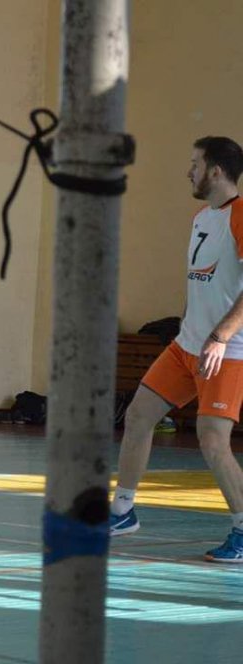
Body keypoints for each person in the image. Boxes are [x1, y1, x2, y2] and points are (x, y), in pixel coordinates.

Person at [109, 136, 243, 563]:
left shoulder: (241, 215)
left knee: (213, 440)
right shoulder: (202, 217)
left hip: (228, 351)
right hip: (187, 346)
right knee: (138, 416)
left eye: (195, 164)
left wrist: (220, 337)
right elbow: (200, 283)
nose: (189, 171)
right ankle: (122, 513)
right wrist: (189, 328)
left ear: (216, 171)